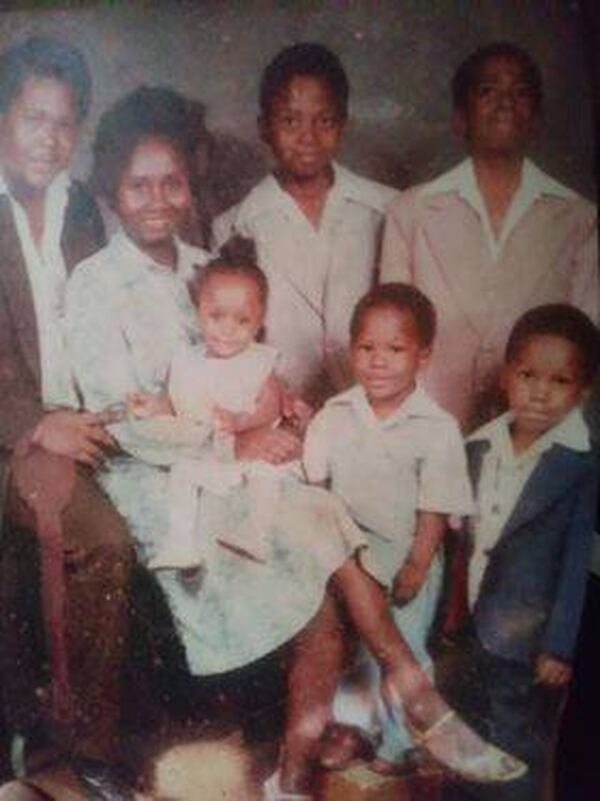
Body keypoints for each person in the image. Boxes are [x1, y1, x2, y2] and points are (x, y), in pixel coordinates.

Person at [66, 86, 525, 800]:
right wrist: (243, 445)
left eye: (173, 182)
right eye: (138, 184)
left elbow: (244, 369)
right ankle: (412, 698)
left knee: (322, 531)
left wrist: (281, 414)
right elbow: (120, 422)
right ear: (110, 189)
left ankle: (311, 760)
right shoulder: (94, 284)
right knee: (322, 542)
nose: (158, 198)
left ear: (192, 185)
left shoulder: (206, 262)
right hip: (157, 485)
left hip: (230, 469)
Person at [0, 37, 135, 800]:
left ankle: (74, 743)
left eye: (64, 124)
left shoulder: (83, 205)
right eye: (31, 118)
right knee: (102, 541)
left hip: (78, 423)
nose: (48, 139)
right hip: (10, 435)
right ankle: (81, 750)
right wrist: (38, 422)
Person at [380, 41, 598, 432]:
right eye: (488, 91)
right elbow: (390, 331)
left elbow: (585, 339)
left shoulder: (580, 218)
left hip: (535, 428)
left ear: (536, 120)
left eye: (520, 93)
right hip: (428, 424)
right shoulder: (410, 210)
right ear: (460, 118)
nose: (504, 102)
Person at [303, 284, 474, 774]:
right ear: (351, 349)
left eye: (395, 350)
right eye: (366, 348)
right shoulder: (336, 415)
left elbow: (436, 507)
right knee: (355, 652)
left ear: (423, 355)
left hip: (405, 557)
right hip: (348, 560)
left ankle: (401, 742)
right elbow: (315, 487)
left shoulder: (435, 426)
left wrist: (419, 562)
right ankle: (355, 729)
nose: (378, 362)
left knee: (403, 650)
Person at [462, 304, 599, 800]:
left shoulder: (582, 465)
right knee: (468, 739)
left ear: (583, 391)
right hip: (473, 627)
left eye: (559, 381)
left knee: (516, 746)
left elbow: (576, 561)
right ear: (505, 376)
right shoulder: (479, 447)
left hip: (528, 641)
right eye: (527, 375)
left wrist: (561, 645)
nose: (540, 392)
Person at [214, 42, 399, 406]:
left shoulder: (386, 208)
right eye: (289, 120)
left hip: (371, 408)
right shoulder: (234, 227)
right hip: (279, 412)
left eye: (324, 120)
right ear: (264, 127)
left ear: (342, 125)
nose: (308, 137)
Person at [129, 236, 293, 570]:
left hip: (251, 454)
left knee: (267, 476)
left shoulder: (258, 361)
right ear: (199, 311)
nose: (227, 331)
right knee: (182, 474)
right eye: (216, 317)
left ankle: (255, 535)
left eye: (242, 321)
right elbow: (175, 403)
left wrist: (239, 420)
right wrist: (152, 407)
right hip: (212, 458)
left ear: (259, 322)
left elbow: (271, 406)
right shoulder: (187, 360)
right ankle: (181, 546)